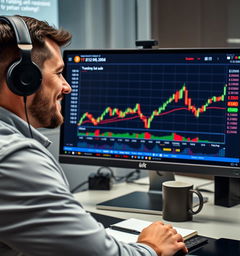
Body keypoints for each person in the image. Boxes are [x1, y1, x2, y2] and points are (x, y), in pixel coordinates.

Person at [0, 15, 188, 256]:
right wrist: (151, 247)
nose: (67, 86)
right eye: (58, 73)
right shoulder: (16, 160)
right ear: (23, 79)